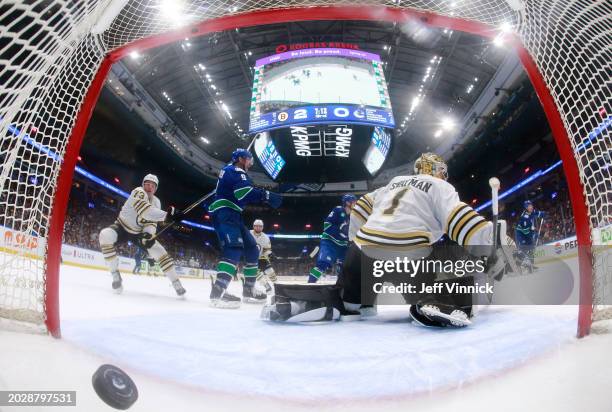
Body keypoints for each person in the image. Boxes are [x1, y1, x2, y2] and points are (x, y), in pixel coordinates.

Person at [262, 153, 513, 327]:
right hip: (409, 255)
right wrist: (490, 241)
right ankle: (433, 303)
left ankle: (305, 304)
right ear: (438, 172)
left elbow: (360, 208)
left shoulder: (394, 183)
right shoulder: (440, 187)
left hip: (362, 254)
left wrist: (354, 244)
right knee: (433, 294)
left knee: (349, 301)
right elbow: (458, 219)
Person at [208, 149, 282, 308]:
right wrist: (266, 196)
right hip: (225, 213)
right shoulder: (234, 170)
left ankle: (248, 290)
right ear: (241, 159)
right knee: (234, 248)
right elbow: (244, 193)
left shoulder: (231, 170)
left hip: (234, 214)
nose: (250, 163)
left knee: (253, 249)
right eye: (249, 160)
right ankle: (218, 293)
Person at [99, 174, 186, 296]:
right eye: (147, 184)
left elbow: (151, 222)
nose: (149, 187)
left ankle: (176, 282)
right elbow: (145, 211)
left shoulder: (156, 202)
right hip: (122, 227)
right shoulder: (138, 192)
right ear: (142, 185)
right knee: (105, 235)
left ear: (155, 189)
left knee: (159, 251)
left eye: (152, 185)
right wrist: (167, 215)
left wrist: (148, 235)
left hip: (138, 232)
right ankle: (115, 274)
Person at [307, 194, 356, 283]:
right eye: (353, 202)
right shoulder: (338, 210)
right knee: (322, 264)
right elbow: (327, 225)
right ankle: (310, 285)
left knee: (347, 267)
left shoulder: (353, 216)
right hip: (330, 242)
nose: (355, 204)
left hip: (343, 246)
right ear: (347, 202)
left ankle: (343, 287)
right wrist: (340, 231)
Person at [515, 200, 545, 272]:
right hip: (521, 235)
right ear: (526, 207)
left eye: (531, 205)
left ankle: (531, 264)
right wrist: (534, 235)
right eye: (529, 206)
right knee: (524, 250)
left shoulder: (532, 212)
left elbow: (538, 213)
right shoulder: (524, 217)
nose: (531, 207)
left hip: (527, 232)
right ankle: (517, 265)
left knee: (531, 249)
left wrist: (543, 214)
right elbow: (526, 232)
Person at [250, 219, 277, 291]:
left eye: (260, 226)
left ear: (262, 227)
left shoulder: (266, 237)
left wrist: (270, 254)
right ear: (253, 226)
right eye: (256, 226)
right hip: (250, 258)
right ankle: (267, 286)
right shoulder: (248, 234)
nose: (258, 228)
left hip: (261, 257)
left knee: (270, 271)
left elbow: (266, 250)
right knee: (256, 272)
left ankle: (277, 285)